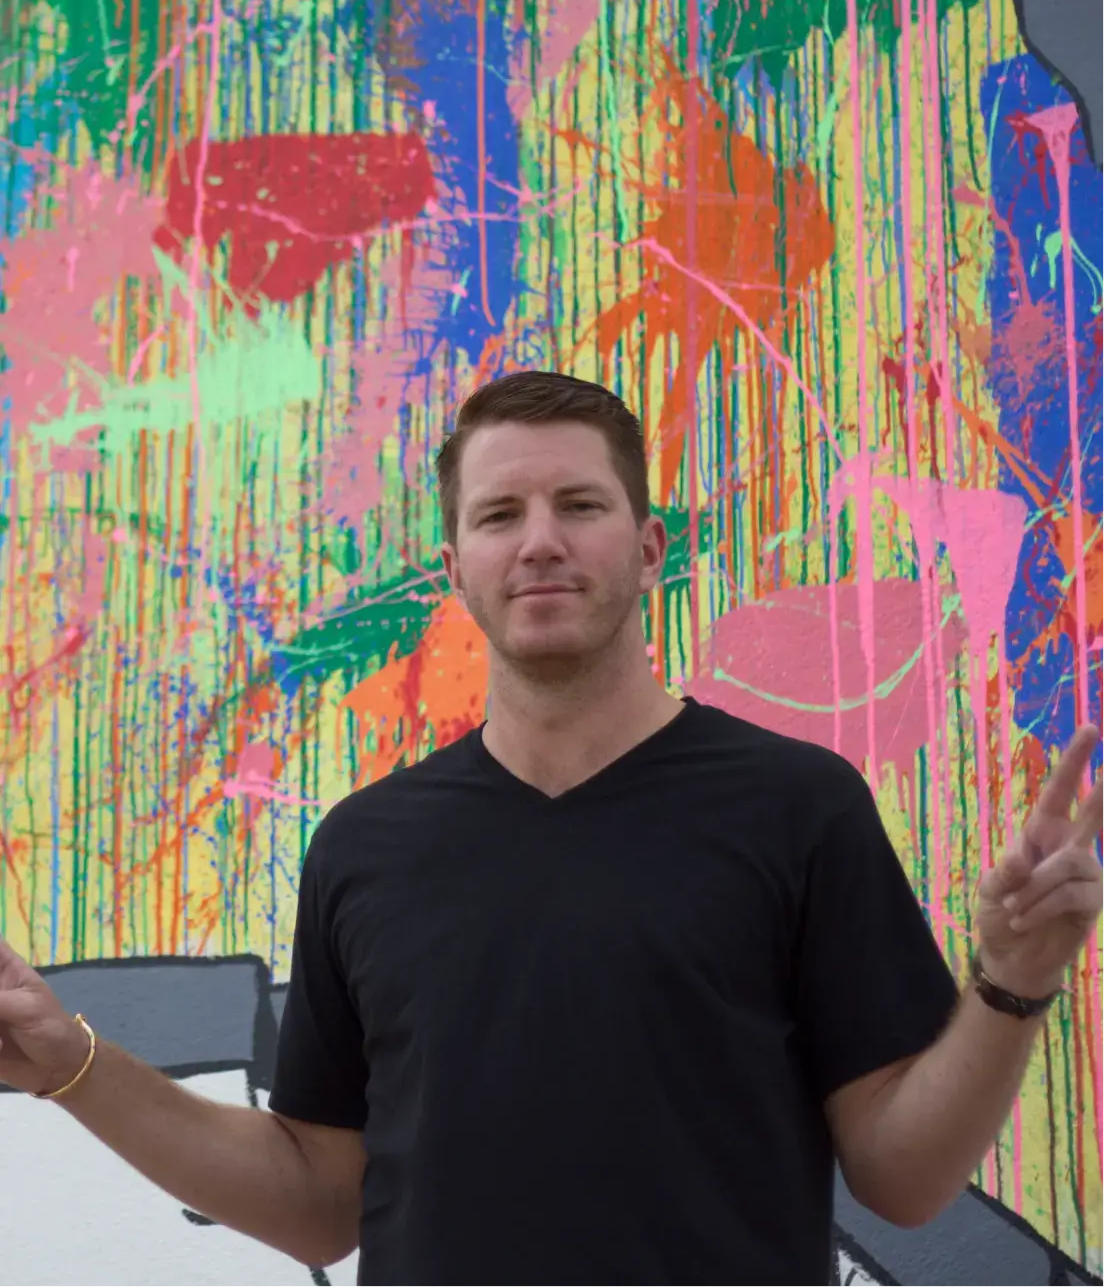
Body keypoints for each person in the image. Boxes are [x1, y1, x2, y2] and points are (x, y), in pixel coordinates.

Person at [2, 369, 1103, 1286]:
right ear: (456, 571)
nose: (540, 541)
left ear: (649, 544)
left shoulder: (796, 808)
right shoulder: (364, 848)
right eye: (499, 515)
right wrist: (71, 1065)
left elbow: (903, 1183)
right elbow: (317, 1204)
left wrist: (1009, 984)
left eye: (580, 505)